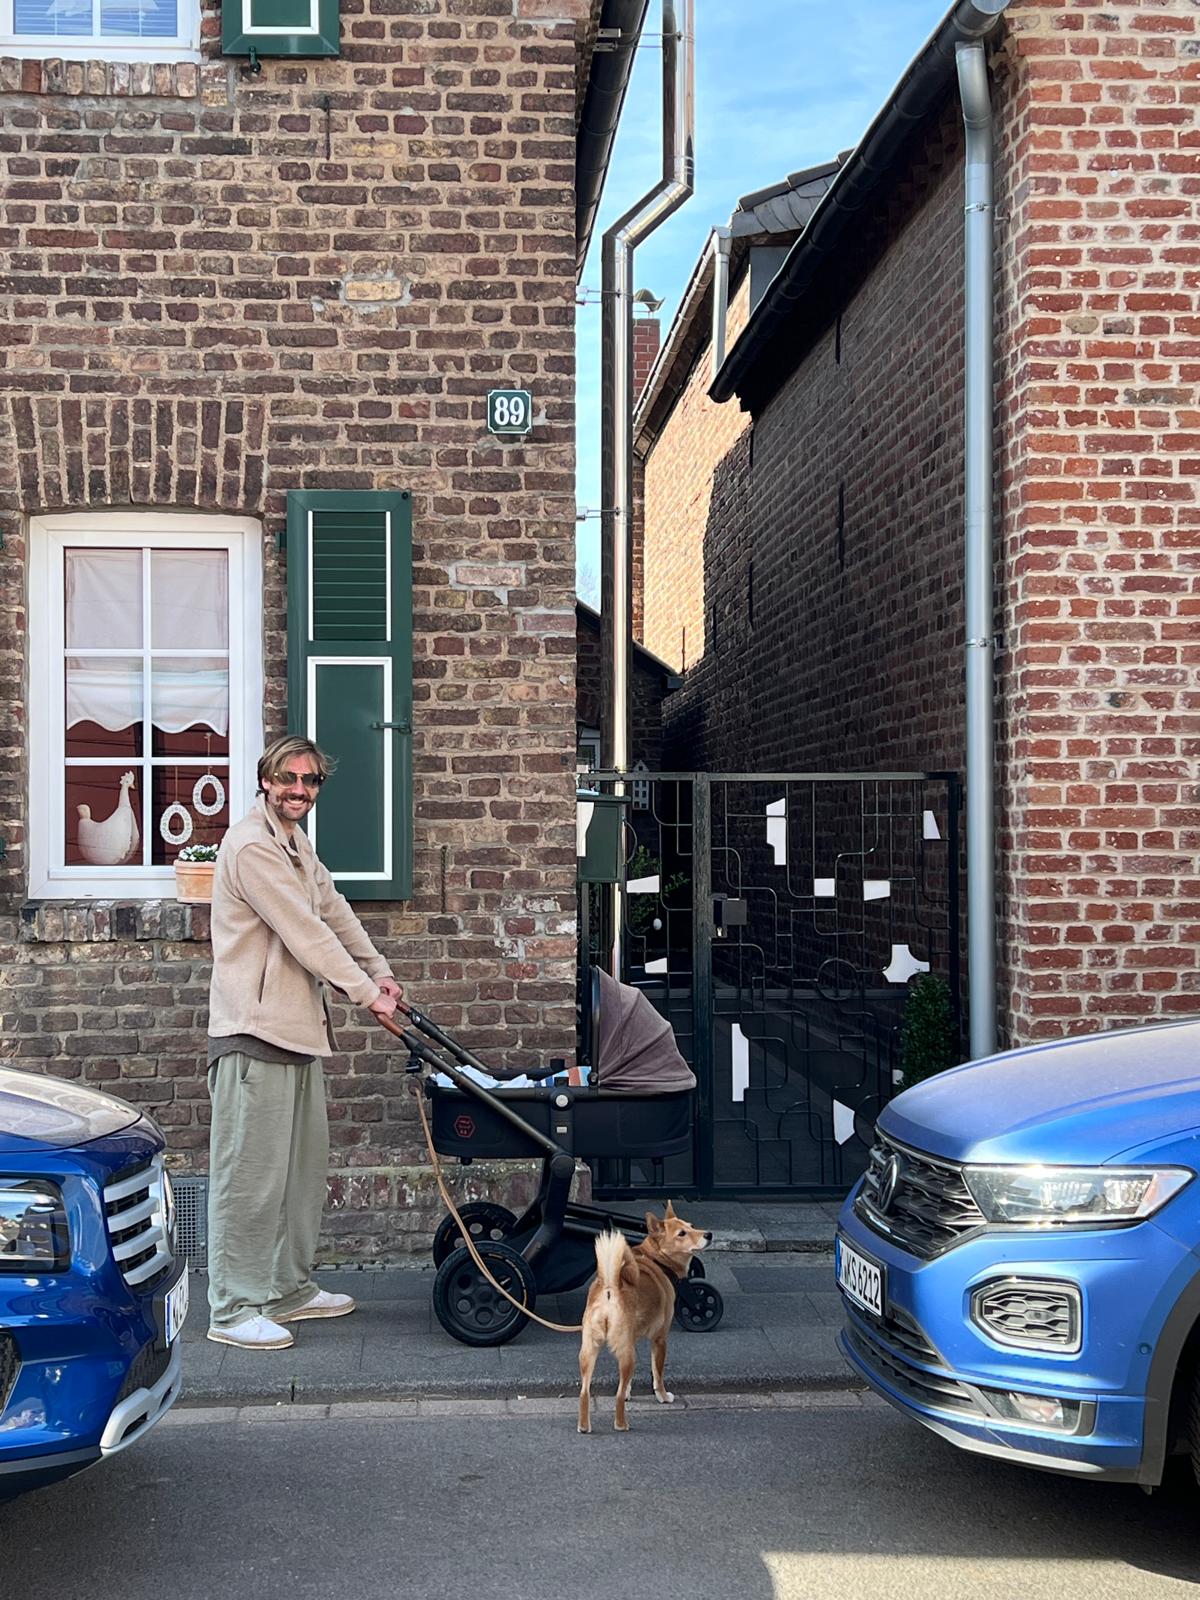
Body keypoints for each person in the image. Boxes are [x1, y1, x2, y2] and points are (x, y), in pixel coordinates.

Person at [204, 735, 402, 1351]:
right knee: (249, 1181)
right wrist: (365, 995)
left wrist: (380, 969)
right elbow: (304, 932)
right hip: (252, 1033)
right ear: (266, 780)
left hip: (297, 1032)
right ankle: (232, 1308)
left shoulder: (295, 844)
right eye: (287, 778)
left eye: (310, 780)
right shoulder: (252, 847)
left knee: (298, 1178)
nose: (299, 789)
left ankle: (286, 1288)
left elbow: (334, 911)